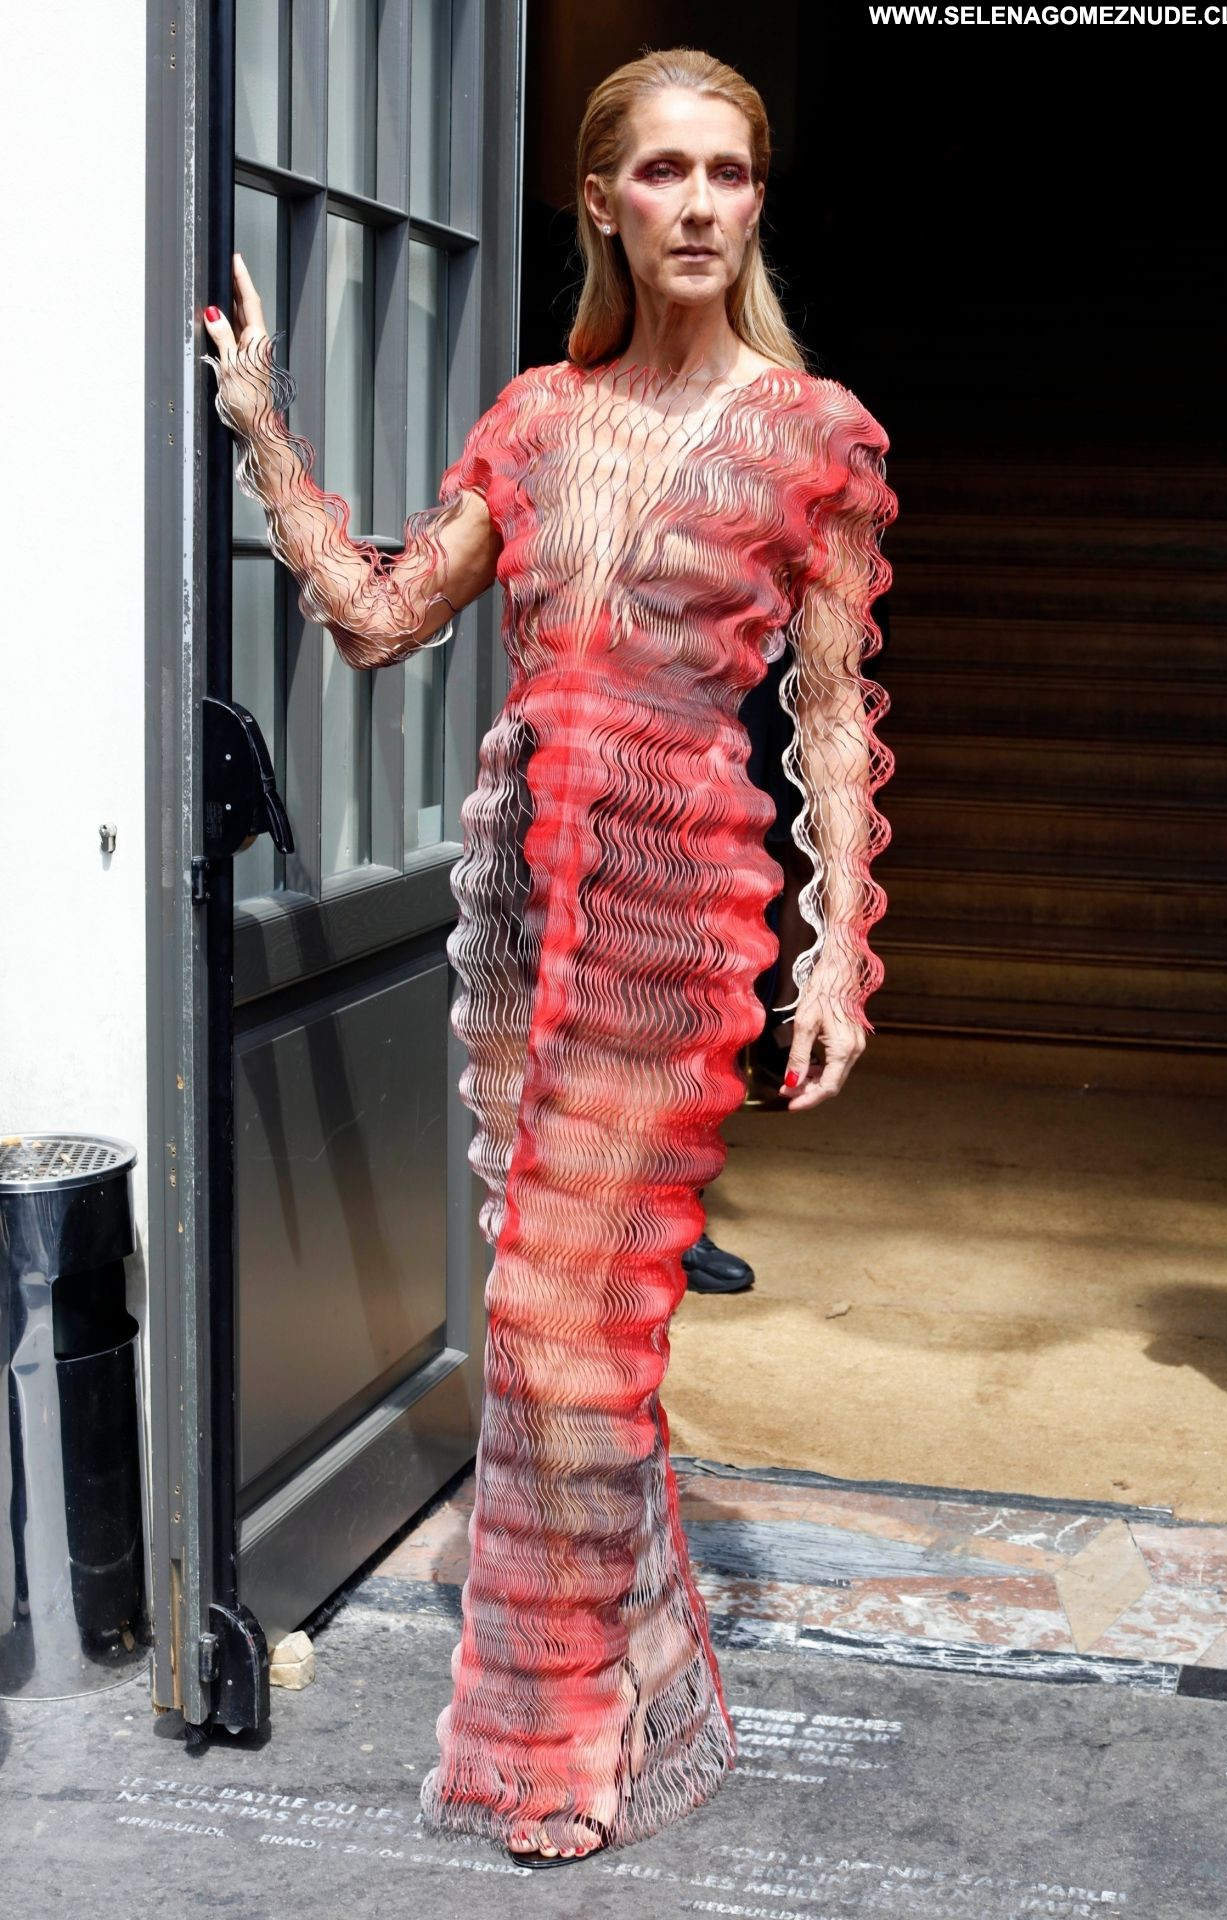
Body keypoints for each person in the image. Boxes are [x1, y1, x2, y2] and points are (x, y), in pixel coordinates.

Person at [203, 45, 895, 1869]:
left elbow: (830, 714)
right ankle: (633, 1666)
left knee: (561, 1329)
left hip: (679, 919)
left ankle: (559, 1739)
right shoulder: (534, 418)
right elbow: (378, 619)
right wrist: (265, 430)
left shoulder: (814, 435)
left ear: (759, 199)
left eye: (729, 174)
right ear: (601, 201)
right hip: (520, 907)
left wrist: (834, 955)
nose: (698, 205)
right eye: (663, 172)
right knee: (550, 1328)